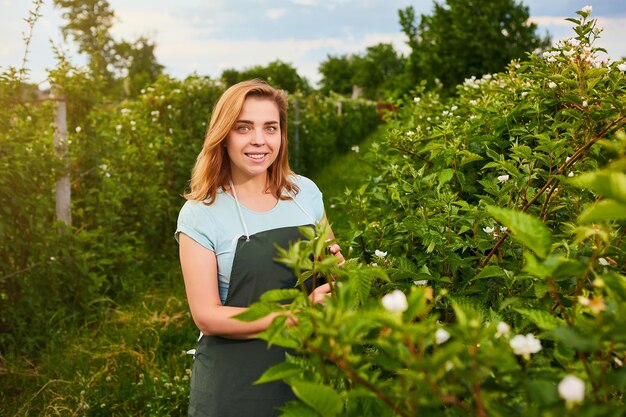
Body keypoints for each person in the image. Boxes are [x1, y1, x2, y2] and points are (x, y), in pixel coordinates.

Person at [175, 79, 343, 417]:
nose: (259, 140)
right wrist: (292, 317)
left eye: (271, 127)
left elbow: (333, 267)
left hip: (308, 372)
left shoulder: (304, 194)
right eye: (244, 127)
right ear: (224, 135)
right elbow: (207, 316)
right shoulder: (201, 212)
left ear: (282, 134)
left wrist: (337, 278)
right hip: (234, 386)